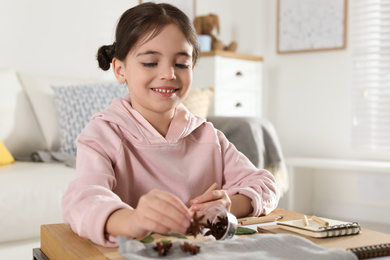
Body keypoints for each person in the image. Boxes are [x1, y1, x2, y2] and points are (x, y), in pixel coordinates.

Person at [62, 2, 279, 247]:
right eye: (150, 63)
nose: (169, 74)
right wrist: (134, 219)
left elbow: (266, 185)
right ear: (120, 69)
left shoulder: (208, 136)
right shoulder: (102, 135)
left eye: (181, 64)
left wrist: (229, 202)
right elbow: (83, 201)